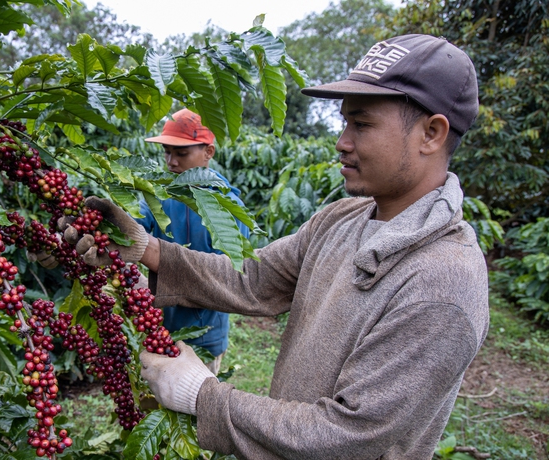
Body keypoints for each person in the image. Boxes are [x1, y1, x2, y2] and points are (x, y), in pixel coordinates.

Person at [75, 34, 490, 459]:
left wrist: (203, 396)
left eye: (362, 124)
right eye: (344, 122)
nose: (342, 141)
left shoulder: (443, 285)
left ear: (432, 133)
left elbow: (346, 435)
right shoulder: (341, 219)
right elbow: (253, 279)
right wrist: (146, 248)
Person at [137, 108, 250, 374]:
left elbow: (226, 275)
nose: (171, 162)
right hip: (160, 329)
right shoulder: (162, 197)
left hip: (205, 337)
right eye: (167, 152)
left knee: (199, 407)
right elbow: (134, 222)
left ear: (208, 152)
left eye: (181, 153)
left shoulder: (229, 206)